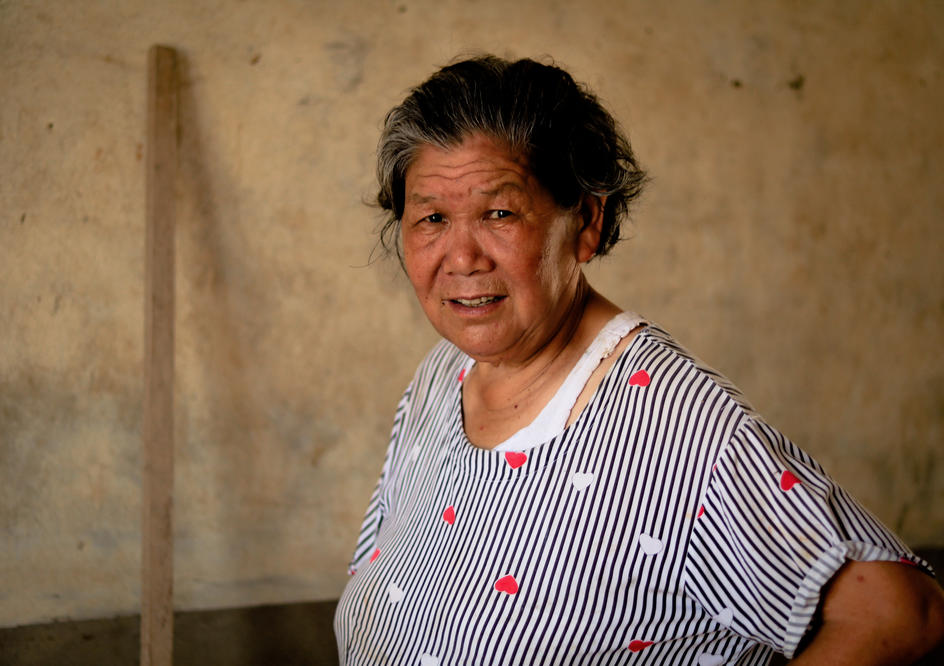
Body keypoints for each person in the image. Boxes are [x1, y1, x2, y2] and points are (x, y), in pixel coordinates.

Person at [334, 55, 944, 665]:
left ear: (586, 222)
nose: (462, 257)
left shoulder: (677, 424)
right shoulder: (443, 375)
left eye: (499, 213)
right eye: (432, 218)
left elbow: (901, 612)